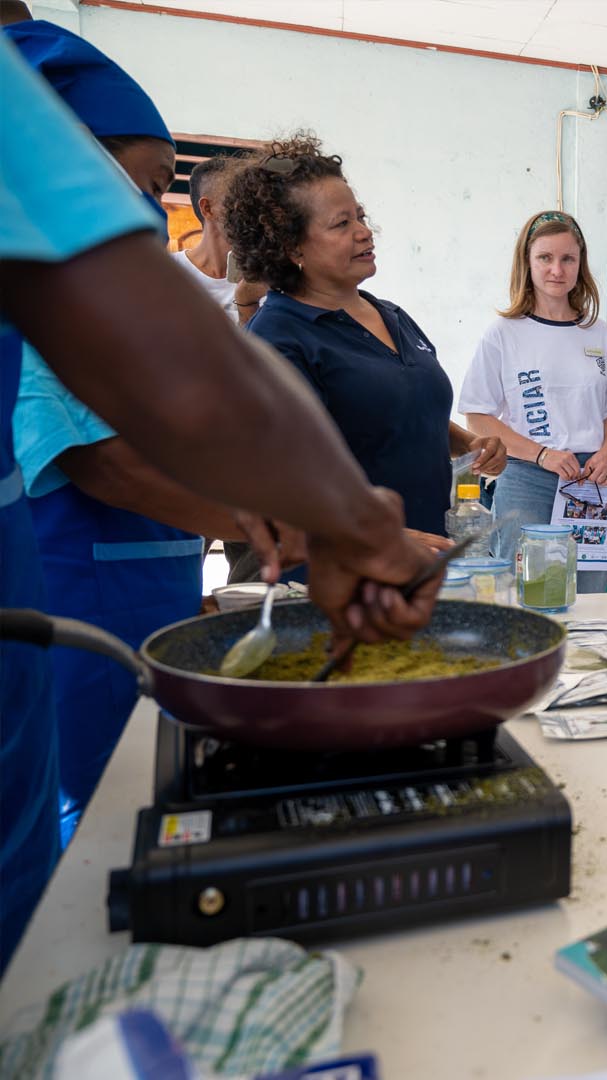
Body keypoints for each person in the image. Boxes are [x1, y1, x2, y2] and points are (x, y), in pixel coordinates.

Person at [0, 38, 438, 974]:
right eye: (150, 181)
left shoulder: (389, 318)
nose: (152, 214)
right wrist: (344, 524)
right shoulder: (19, 130)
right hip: (68, 586)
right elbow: (176, 393)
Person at [225, 136, 505, 546]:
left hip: (423, 557)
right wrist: (384, 538)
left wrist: (468, 443)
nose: (364, 232)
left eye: (360, 216)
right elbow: (285, 481)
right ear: (291, 247)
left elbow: (396, 409)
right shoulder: (279, 336)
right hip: (340, 571)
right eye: (341, 224)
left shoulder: (391, 316)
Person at [460, 209, 607, 591]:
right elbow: (477, 415)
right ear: (528, 262)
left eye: (568, 258)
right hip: (528, 479)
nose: (557, 269)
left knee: (588, 596)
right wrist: (541, 454)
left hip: (592, 482)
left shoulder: (599, 333)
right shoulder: (504, 333)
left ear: (580, 264)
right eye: (545, 258)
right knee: (525, 594)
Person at [171, 154, 267, 323]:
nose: (252, 209)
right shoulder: (167, 273)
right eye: (239, 201)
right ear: (207, 208)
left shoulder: (265, 280)